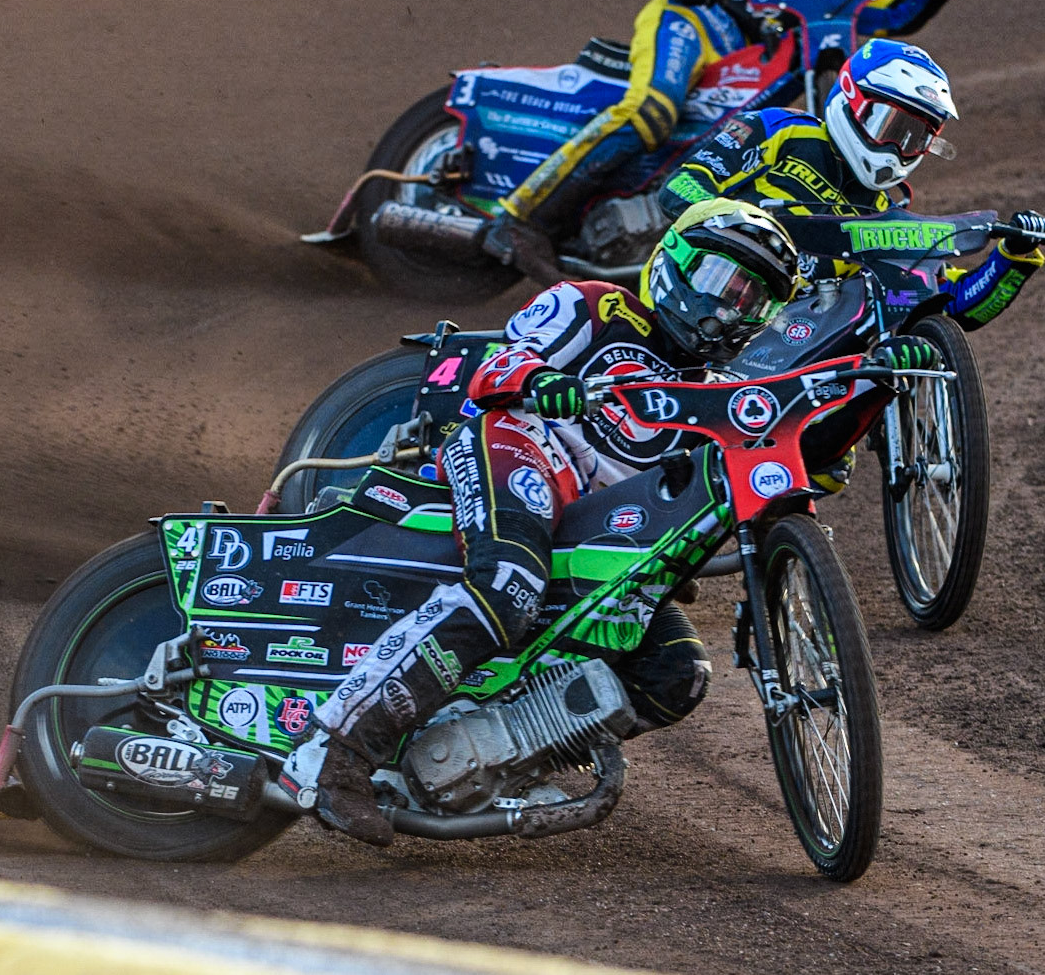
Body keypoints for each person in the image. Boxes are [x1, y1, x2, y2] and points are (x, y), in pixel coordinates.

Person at [281, 200, 935, 845]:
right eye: (721, 281)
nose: (730, 308)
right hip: (521, 445)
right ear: (675, 264)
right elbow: (497, 366)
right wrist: (542, 381)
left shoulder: (719, 392)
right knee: (508, 583)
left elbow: (802, 452)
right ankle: (332, 751)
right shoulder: (596, 306)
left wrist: (878, 386)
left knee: (676, 674)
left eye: (752, 300)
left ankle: (486, 755)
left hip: (598, 536)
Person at [482, 0, 966, 285]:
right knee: (652, 111)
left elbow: (885, 18)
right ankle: (520, 219)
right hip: (692, 22)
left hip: (750, 65)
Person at [655, 37, 1045, 487]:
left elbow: (948, 302)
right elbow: (680, 188)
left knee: (831, 468)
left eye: (916, 138)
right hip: (704, 306)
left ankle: (781, 511)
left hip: (789, 349)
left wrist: (1014, 257)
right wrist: (742, 222)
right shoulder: (777, 129)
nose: (898, 149)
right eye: (890, 126)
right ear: (850, 100)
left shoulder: (890, 219)